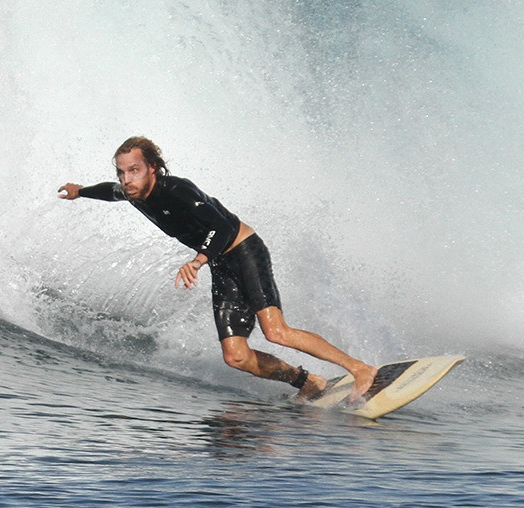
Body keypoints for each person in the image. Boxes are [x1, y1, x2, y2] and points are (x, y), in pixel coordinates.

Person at [57, 136, 377, 403]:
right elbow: (108, 192)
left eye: (134, 171)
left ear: (152, 168)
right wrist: (80, 191)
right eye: (122, 172)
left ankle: (360, 368)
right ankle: (308, 382)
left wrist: (198, 261)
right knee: (236, 356)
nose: (126, 180)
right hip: (221, 262)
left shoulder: (178, 190)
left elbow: (221, 227)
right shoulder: (131, 192)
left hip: (244, 250)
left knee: (275, 331)